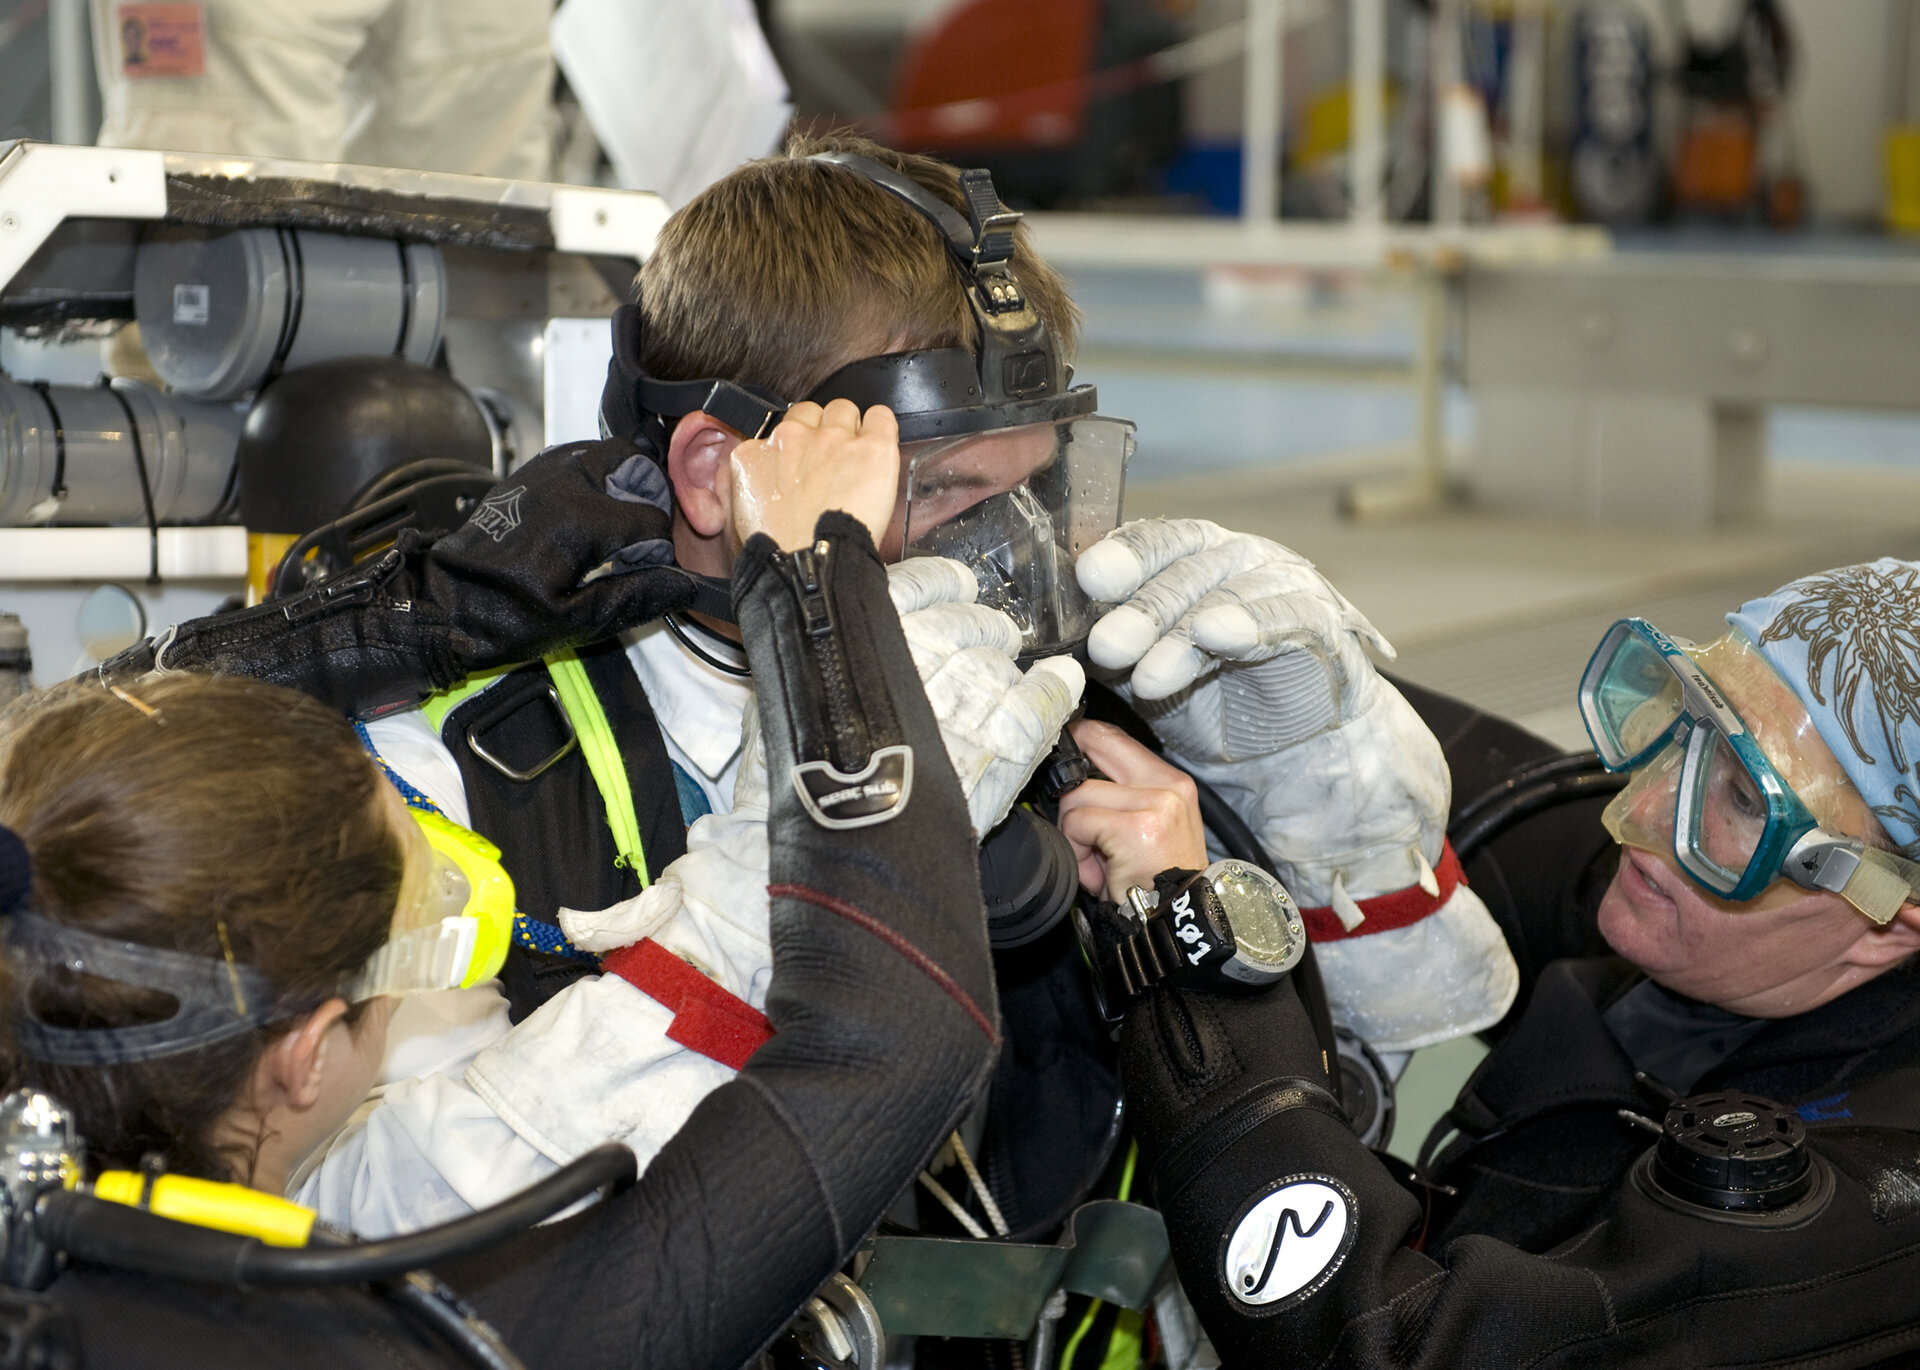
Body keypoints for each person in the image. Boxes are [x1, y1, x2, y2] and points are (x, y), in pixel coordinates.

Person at [3, 425, 1026, 1369]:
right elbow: (898, 1041)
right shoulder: (387, 1344)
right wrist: (822, 605)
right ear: (306, 1054)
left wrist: (398, 619)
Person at [1103, 557, 1920, 1367]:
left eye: (1744, 798)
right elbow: (1483, 789)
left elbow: (1392, 1352)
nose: (1638, 808)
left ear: (1891, 922)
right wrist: (1302, 715)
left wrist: (1186, 933)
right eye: (1683, 724)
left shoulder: (1872, 1210)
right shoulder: (1717, 899)